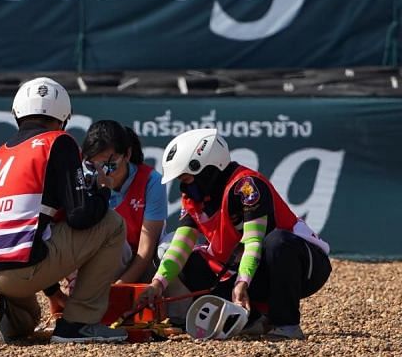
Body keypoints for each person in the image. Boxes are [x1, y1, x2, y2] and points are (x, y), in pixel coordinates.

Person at [0, 77, 128, 344]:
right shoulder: (58, 142)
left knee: (30, 318)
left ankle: (4, 314)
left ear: (17, 113)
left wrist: (52, 292)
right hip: (19, 271)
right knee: (112, 223)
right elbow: (80, 216)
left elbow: (27, 224)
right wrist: (102, 189)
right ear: (63, 116)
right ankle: (78, 324)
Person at [137, 128, 332, 339]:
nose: (183, 187)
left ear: (207, 170)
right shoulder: (194, 199)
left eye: (186, 179)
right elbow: (180, 246)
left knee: (277, 242)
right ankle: (254, 319)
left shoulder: (247, 186)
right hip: (254, 270)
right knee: (191, 264)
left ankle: (286, 324)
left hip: (305, 267)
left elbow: (254, 242)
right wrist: (157, 284)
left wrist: (242, 282)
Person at [80, 120, 168, 283]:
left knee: (169, 247)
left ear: (127, 155)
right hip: (100, 267)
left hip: (144, 265)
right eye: (92, 166)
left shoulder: (152, 181)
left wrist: (119, 289)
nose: (101, 173)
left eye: (109, 166)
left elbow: (145, 250)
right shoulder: (84, 181)